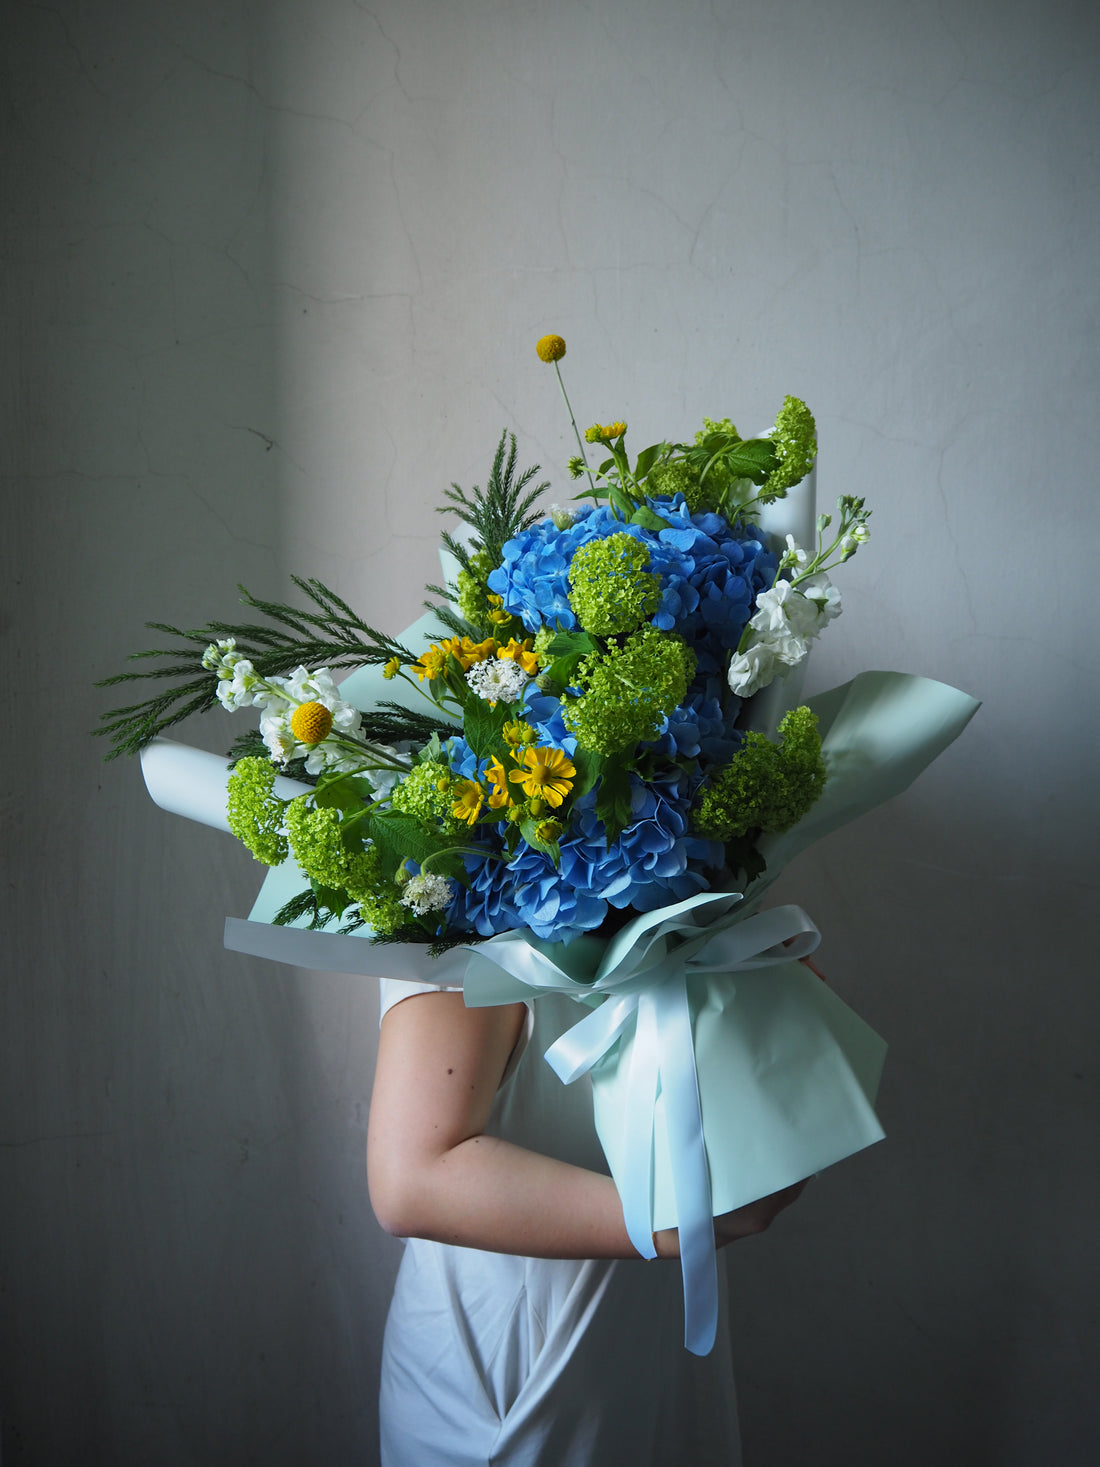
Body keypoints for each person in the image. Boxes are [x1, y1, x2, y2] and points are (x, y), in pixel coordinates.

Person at [367, 973, 806, 1467]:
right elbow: (413, 1180)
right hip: (525, 1358)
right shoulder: (440, 906)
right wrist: (671, 1226)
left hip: (648, 1324)